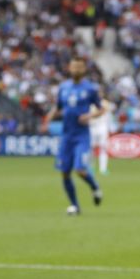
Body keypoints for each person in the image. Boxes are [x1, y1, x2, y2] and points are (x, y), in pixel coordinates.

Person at [45, 56, 105, 216]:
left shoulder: (90, 89)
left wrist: (89, 116)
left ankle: (95, 187)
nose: (76, 69)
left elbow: (101, 109)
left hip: (82, 136)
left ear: (84, 69)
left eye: (79, 67)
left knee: (79, 170)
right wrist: (47, 119)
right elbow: (57, 108)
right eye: (74, 66)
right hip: (66, 136)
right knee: (65, 172)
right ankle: (75, 206)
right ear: (69, 69)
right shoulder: (63, 87)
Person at [89, 97, 116, 176]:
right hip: (92, 127)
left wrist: (111, 127)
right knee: (91, 148)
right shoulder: (89, 102)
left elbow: (109, 116)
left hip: (102, 127)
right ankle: (91, 168)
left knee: (103, 148)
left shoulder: (105, 103)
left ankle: (103, 169)